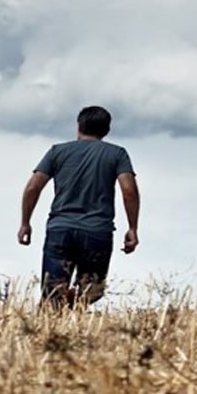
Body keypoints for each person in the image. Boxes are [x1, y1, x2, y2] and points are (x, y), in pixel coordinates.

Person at [18, 105, 140, 306]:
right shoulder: (117, 154)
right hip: (97, 231)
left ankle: (55, 325)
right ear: (107, 130)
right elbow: (129, 190)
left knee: (52, 293)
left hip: (60, 229)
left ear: (79, 126)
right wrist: (132, 228)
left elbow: (33, 187)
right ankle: (73, 316)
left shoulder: (57, 152)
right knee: (91, 292)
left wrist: (25, 222)